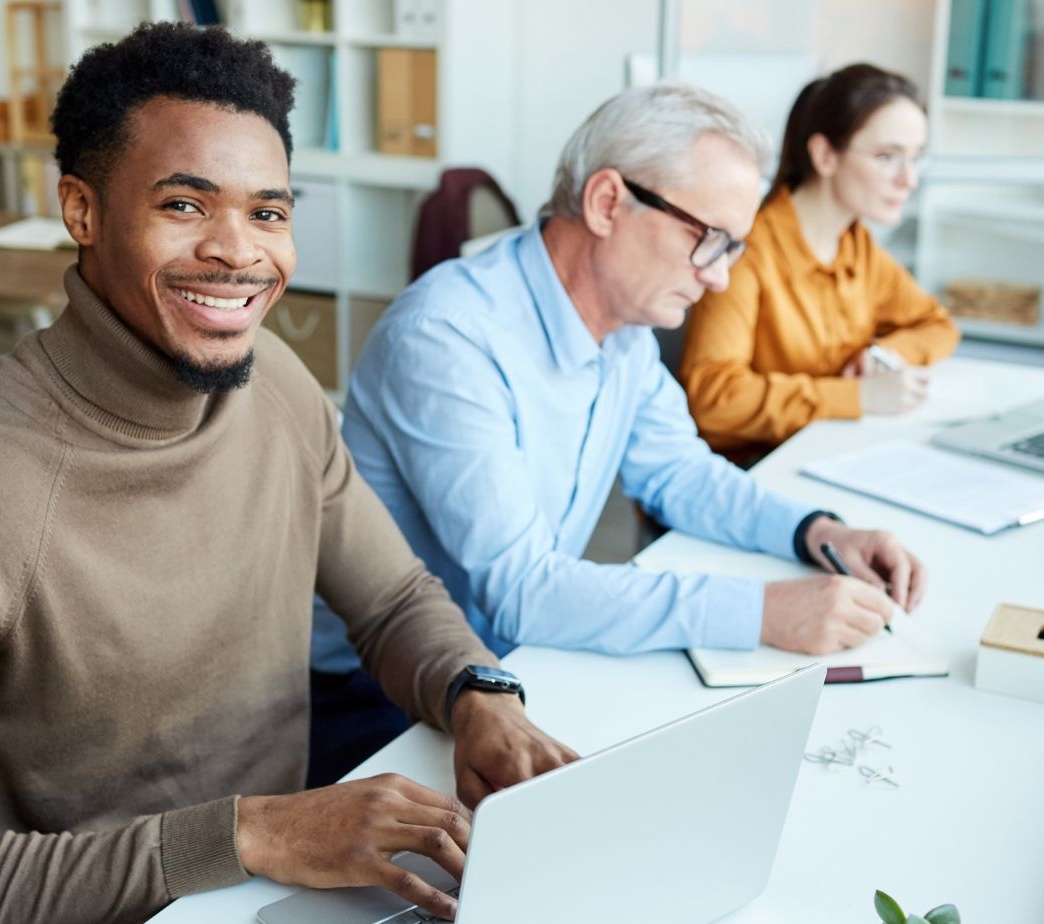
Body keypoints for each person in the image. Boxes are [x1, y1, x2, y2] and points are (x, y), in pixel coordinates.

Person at [0, 24, 573, 924]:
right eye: (185, 205)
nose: (238, 251)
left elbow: (393, 599)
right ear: (82, 210)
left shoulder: (282, 388)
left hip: (283, 888)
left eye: (268, 211)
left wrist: (476, 690)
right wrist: (250, 835)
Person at [307, 84, 928, 784]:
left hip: (517, 662)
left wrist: (818, 531)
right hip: (382, 700)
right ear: (608, 203)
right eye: (709, 240)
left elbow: (679, 474)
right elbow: (524, 591)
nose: (720, 279)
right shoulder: (447, 337)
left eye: (734, 249)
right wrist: (762, 611)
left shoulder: (624, 325)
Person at [679, 63, 960, 464]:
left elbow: (938, 325)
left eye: (916, 158)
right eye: (887, 156)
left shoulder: (856, 247)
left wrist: (886, 355)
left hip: (825, 452)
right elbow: (715, 400)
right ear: (825, 155)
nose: (909, 180)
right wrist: (857, 396)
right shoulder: (750, 251)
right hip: (751, 471)